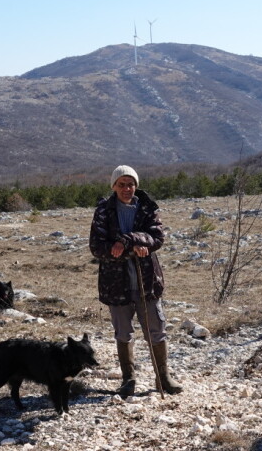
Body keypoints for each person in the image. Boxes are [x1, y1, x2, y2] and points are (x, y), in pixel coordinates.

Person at [89, 165, 182, 398]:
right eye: (121, 184)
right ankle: (128, 379)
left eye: (130, 184)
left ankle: (163, 377)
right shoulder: (103, 210)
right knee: (123, 332)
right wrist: (123, 248)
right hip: (115, 281)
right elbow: (97, 247)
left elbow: (157, 237)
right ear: (114, 187)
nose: (127, 189)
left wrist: (127, 240)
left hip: (147, 278)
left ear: (136, 186)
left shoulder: (148, 207)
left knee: (156, 328)